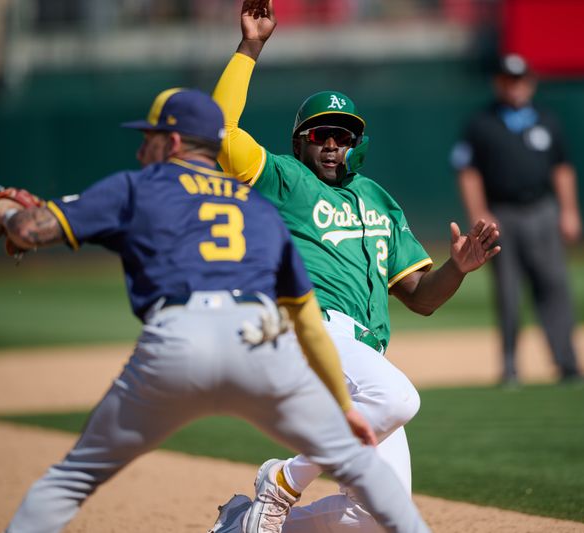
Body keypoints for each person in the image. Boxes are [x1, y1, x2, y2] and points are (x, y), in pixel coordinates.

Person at [0, 88, 433, 533]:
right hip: (254, 352)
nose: (143, 147)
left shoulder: (139, 186)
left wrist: (4, 207)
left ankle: (265, 500)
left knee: (72, 478)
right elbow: (303, 317)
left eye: (150, 137)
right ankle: (263, 505)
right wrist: (343, 407)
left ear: (175, 143)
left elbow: (29, 229)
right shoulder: (256, 208)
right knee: (381, 489)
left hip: (176, 345)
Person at [211, 2, 501, 532]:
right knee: (398, 396)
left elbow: (418, 294)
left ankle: (238, 525)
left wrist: (457, 268)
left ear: (356, 145)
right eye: (321, 134)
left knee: (378, 516)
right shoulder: (281, 179)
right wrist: (250, 46)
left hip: (359, 355)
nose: (331, 144)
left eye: (343, 135)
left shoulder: (378, 199)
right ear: (301, 140)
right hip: (306, 332)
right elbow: (219, 130)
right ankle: (282, 481)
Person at [453, 53, 584, 386]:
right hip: (502, 214)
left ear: (530, 82)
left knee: (554, 286)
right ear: (498, 83)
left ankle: (567, 363)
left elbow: (562, 168)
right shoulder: (481, 122)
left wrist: (569, 211)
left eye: (520, 80)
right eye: (508, 80)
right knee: (508, 293)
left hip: (542, 210)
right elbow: (467, 172)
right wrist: (478, 214)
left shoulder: (546, 119)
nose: (515, 87)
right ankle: (510, 367)